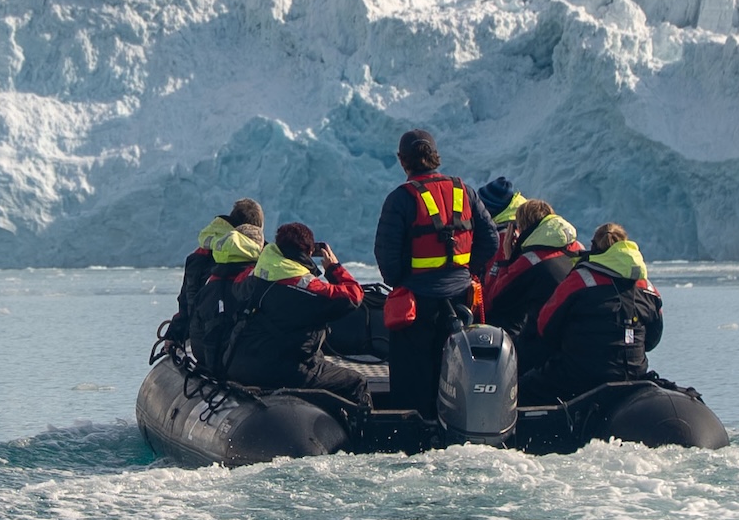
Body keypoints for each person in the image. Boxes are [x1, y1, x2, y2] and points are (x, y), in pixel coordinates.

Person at [374, 130, 498, 412]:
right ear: (434, 156)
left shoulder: (401, 199)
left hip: (416, 304)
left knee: (412, 379)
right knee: (458, 369)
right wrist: (465, 270)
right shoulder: (463, 191)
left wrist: (401, 280)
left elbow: (387, 256)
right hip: (462, 299)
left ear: (402, 160)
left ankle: (412, 436)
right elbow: (491, 240)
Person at [221, 222, 370, 399]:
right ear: (309, 252)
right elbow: (353, 296)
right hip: (283, 370)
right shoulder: (308, 287)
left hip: (241, 365)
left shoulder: (255, 276)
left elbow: (238, 283)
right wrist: (334, 268)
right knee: (357, 382)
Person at [527, 221, 664, 403]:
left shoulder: (579, 280)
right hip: (633, 375)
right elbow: (653, 339)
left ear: (593, 247)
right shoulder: (648, 288)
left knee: (525, 388)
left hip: (580, 376)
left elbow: (545, 326)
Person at [482, 201, 583, 378]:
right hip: (573, 339)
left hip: (542, 344)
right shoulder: (577, 248)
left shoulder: (530, 260)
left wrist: (507, 259)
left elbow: (496, 299)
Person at [163, 200, 263, 347]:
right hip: (238, 342)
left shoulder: (198, 256)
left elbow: (186, 304)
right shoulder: (256, 257)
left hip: (199, 338)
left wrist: (173, 334)